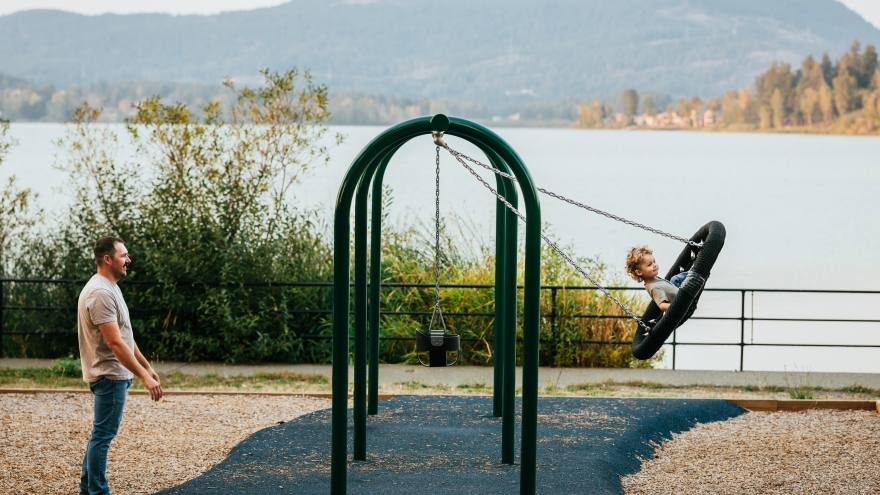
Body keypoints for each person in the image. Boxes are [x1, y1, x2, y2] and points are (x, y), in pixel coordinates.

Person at [78, 236, 162, 495]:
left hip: (114, 374)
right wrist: (144, 378)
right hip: (109, 375)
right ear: (107, 259)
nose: (128, 260)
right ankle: (98, 492)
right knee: (102, 437)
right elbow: (114, 344)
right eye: (123, 255)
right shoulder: (101, 292)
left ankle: (86, 490)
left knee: (99, 435)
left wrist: (146, 367)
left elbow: (126, 336)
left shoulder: (110, 286)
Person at [625, 245, 688, 312]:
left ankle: (693, 272)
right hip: (683, 303)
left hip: (676, 293)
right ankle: (695, 273)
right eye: (649, 264)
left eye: (654, 261)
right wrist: (679, 306)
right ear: (639, 272)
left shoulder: (652, 279)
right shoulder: (654, 287)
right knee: (677, 279)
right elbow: (662, 305)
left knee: (674, 279)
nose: (654, 265)